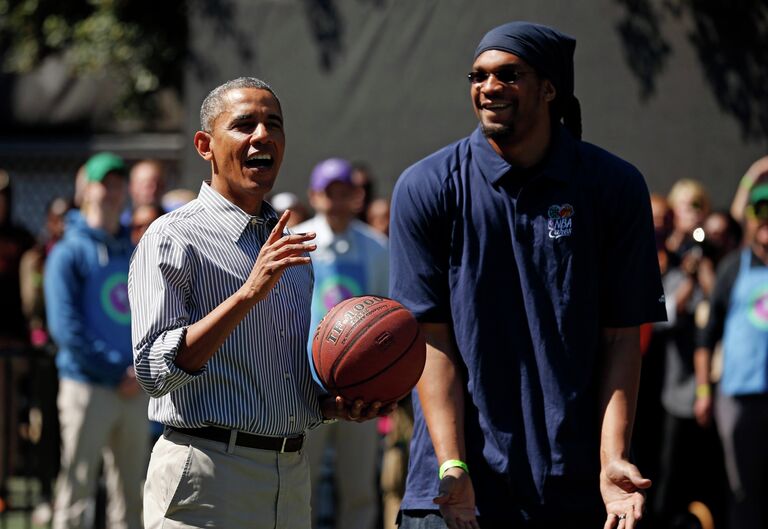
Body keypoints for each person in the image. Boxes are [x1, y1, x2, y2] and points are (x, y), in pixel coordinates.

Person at [389, 21, 667, 529]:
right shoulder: (426, 186)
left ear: (550, 87)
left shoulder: (614, 186)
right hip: (456, 491)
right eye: (477, 76)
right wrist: (452, 465)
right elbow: (431, 340)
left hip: (578, 488)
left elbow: (621, 340)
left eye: (508, 75)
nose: (488, 88)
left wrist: (611, 461)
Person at [128, 77, 390, 529]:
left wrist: (329, 406)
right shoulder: (172, 237)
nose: (262, 136)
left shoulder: (290, 250)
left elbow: (275, 384)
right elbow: (153, 371)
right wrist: (247, 293)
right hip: (205, 472)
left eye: (274, 124)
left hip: (289, 475)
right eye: (245, 124)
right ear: (205, 145)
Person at [44, 152, 148, 529]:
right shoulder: (67, 252)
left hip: (134, 388)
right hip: (87, 387)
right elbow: (65, 328)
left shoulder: (136, 251)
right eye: (105, 182)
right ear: (85, 189)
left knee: (132, 498)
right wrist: (115, 370)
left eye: (119, 183)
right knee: (75, 494)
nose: (112, 190)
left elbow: (149, 315)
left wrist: (138, 371)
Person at [295, 157, 389, 529]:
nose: (336, 201)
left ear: (358, 196)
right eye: (329, 193)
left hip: (361, 390)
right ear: (314, 196)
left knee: (359, 485)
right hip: (304, 384)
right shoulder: (297, 242)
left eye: (345, 192)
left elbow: (387, 312)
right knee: (302, 482)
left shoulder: (377, 247)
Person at [694, 182, 768, 529]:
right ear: (749, 219)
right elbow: (706, 336)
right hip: (738, 396)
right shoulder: (732, 268)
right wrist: (704, 391)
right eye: (760, 210)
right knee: (742, 489)